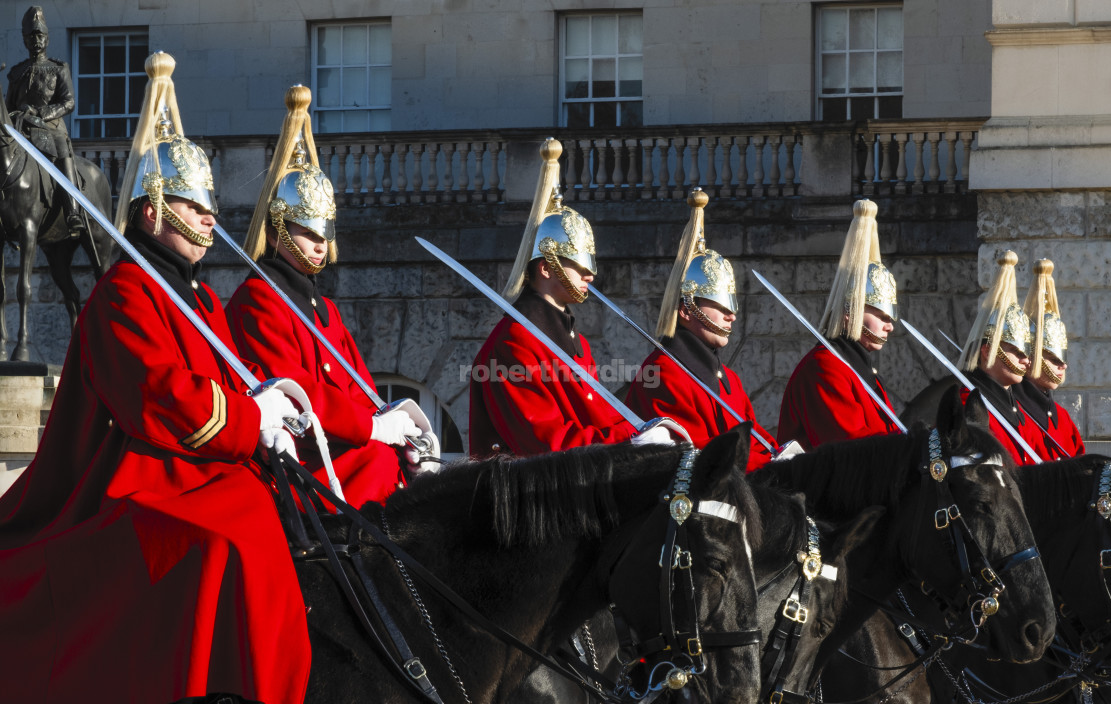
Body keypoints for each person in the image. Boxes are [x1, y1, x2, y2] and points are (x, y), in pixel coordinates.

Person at [0, 52, 311, 704]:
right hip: (127, 485)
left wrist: (270, 405)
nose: (209, 218)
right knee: (212, 539)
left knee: (282, 514)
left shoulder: (196, 297)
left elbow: (224, 385)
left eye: (210, 206)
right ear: (150, 210)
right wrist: (248, 417)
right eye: (194, 206)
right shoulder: (122, 294)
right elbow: (159, 398)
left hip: (187, 473)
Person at [226, 85, 436, 507]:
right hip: (305, 461)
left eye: (325, 232)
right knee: (381, 467)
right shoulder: (259, 299)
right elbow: (293, 392)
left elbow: (357, 386)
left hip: (347, 449)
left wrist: (397, 425)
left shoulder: (326, 308)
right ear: (278, 230)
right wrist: (371, 430)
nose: (320, 244)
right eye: (307, 232)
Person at [469, 138, 672, 457]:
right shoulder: (514, 343)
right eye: (578, 266)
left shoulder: (575, 341)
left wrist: (640, 430)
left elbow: (598, 418)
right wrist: (627, 440)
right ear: (547, 269)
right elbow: (545, 442)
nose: (590, 276)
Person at [626, 188, 777, 468]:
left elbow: (756, 439)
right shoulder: (662, 372)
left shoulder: (730, 378)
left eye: (731, 307)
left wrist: (781, 457)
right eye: (720, 306)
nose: (731, 316)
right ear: (686, 310)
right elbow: (697, 451)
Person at [778, 199, 902, 450]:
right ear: (849, 311)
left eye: (890, 318)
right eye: (881, 315)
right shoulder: (825, 367)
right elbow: (852, 450)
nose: (889, 326)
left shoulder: (862, 371)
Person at [956, 250, 1049, 465]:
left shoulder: (1020, 410)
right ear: (988, 352)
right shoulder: (968, 402)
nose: (1026, 361)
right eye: (1017, 352)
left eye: (1025, 354)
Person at [6, 6, 82, 233]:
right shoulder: (16, 72)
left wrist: (40, 112)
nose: (35, 40)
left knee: (62, 152)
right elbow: (8, 105)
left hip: (50, 127)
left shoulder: (58, 69)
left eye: (39, 35)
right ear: (24, 40)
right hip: (21, 128)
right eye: (31, 36)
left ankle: (72, 211)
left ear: (47, 38)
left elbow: (69, 103)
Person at [1012, 258, 1084, 459]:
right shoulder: (1012, 411)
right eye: (1053, 358)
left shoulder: (1062, 417)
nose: (1063, 365)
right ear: (1030, 357)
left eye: (1063, 357)